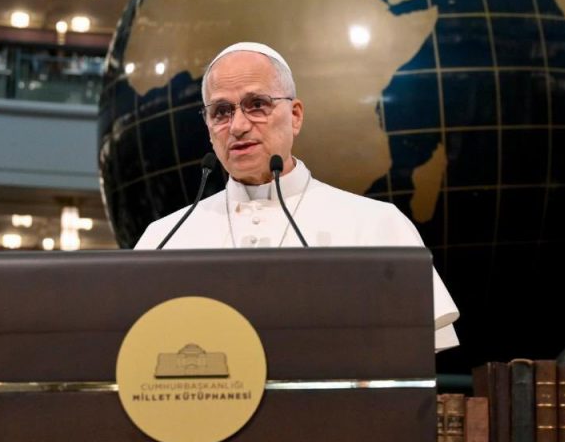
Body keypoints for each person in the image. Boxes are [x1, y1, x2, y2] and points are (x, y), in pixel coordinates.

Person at [135, 42, 459, 352]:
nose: (238, 126)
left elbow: (410, 358)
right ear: (208, 127)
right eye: (221, 111)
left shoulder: (376, 225)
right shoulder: (164, 239)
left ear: (295, 115)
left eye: (257, 105)